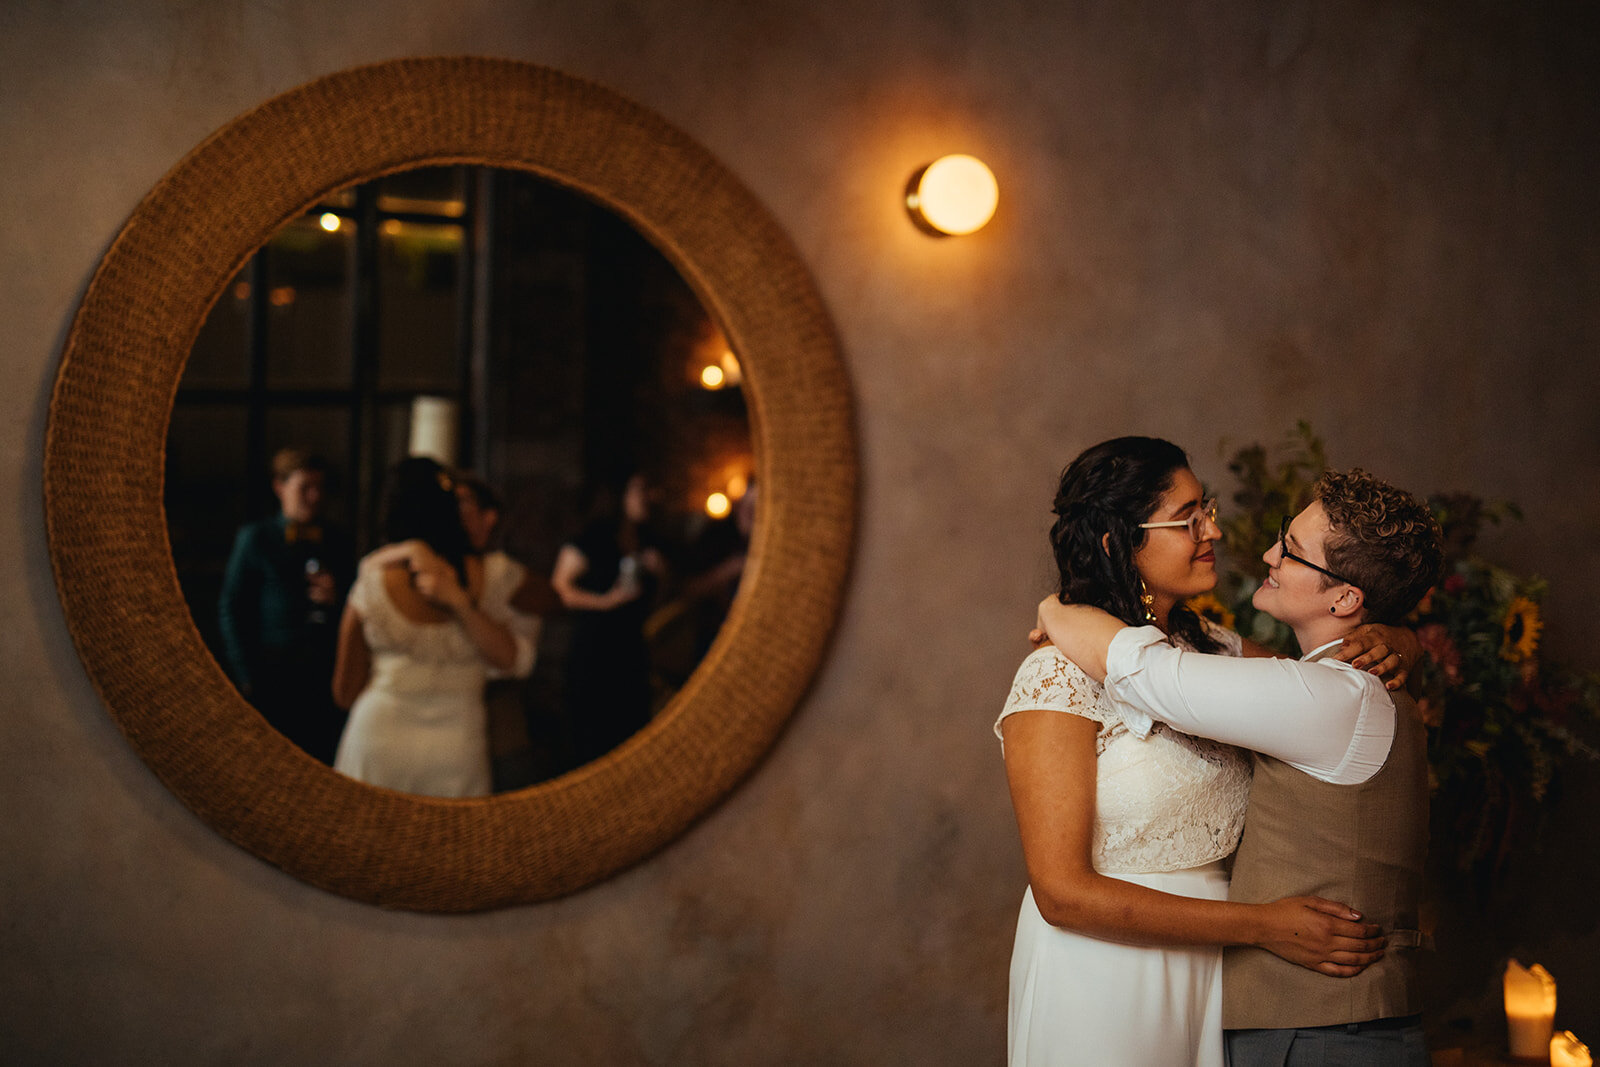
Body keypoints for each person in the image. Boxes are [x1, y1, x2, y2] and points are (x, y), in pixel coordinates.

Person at [997, 437, 1410, 1067]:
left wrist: (1396, 635)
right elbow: (1063, 895)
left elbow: (1329, 681)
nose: (1212, 529)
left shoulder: (1212, 649)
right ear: (1117, 542)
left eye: (1207, 508)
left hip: (1222, 976)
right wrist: (1265, 925)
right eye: (1188, 519)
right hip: (1108, 977)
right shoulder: (1055, 676)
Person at [330, 457, 533, 798]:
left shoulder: (373, 582)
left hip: (379, 738)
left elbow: (344, 692)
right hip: (456, 747)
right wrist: (461, 603)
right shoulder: (492, 574)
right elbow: (512, 659)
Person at [218, 447, 353, 764]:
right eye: (304, 487)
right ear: (280, 487)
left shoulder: (336, 539)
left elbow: (359, 607)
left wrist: (336, 598)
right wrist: (246, 677)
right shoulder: (256, 538)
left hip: (324, 676)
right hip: (273, 675)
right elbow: (231, 608)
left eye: (319, 488)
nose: (314, 496)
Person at [551, 471, 664, 764]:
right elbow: (560, 587)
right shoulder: (594, 538)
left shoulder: (648, 540)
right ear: (620, 496)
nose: (645, 498)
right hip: (595, 651)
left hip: (632, 650)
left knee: (633, 735)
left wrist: (661, 573)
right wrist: (604, 602)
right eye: (638, 490)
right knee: (594, 736)